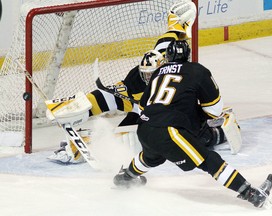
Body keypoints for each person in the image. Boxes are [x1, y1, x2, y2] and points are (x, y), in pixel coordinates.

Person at [47, 0, 229, 164]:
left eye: (151, 75)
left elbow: (174, 32)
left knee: (188, 139)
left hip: (175, 114)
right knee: (135, 137)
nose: (147, 78)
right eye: (145, 74)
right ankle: (88, 139)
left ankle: (217, 134)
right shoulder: (138, 78)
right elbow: (111, 97)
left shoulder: (178, 66)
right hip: (149, 112)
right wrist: (81, 106)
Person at [112, 40, 272, 209]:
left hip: (145, 128)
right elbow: (214, 111)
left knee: (150, 157)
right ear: (188, 55)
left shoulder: (157, 73)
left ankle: (125, 178)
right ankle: (253, 195)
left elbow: (143, 108)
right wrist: (194, 112)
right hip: (169, 130)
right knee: (209, 160)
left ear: (168, 57)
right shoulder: (198, 71)